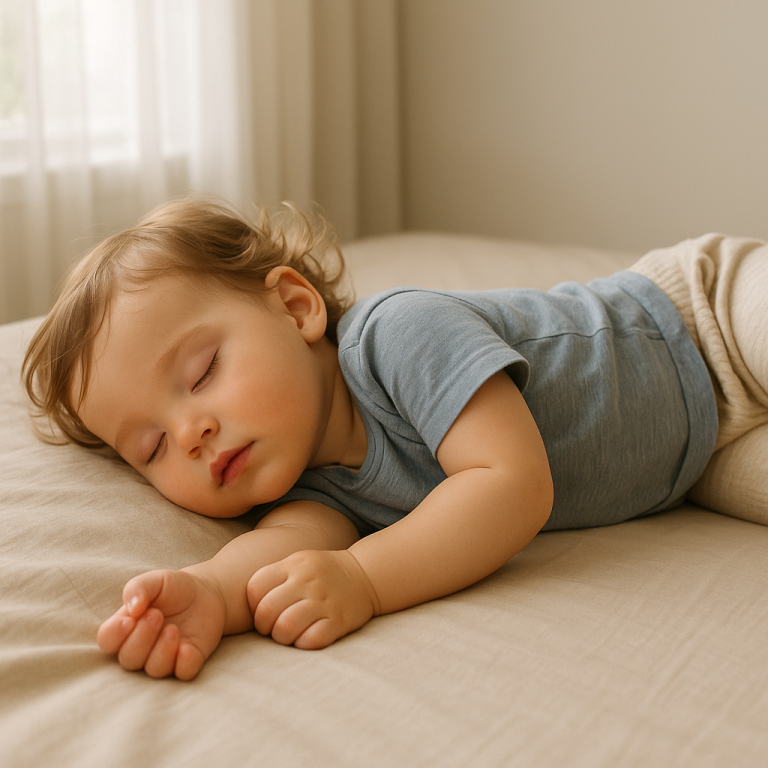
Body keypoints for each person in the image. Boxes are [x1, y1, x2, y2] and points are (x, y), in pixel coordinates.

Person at [22, 197, 768, 681]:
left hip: (704, 319)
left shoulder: (396, 335)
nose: (190, 432)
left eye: (204, 369)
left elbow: (511, 483)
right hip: (696, 454)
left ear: (294, 306)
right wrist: (210, 595)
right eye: (149, 447)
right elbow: (268, 562)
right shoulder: (313, 493)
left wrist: (365, 580)